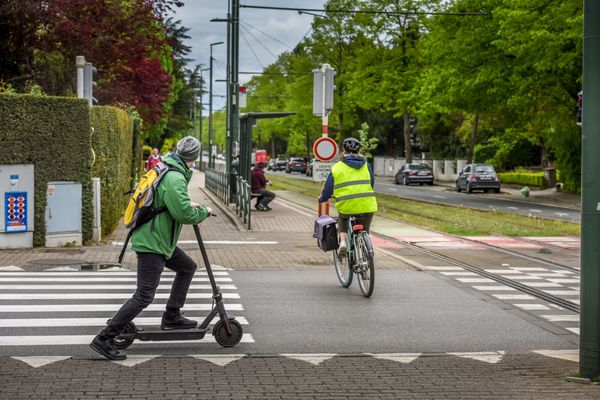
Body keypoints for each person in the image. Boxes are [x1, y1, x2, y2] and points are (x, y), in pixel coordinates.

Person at [89, 136, 213, 361]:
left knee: (187, 267)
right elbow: (183, 214)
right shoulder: (175, 177)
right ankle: (104, 338)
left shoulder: (166, 168)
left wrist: (190, 204)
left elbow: (171, 203)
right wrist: (203, 211)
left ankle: (172, 316)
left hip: (159, 240)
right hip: (152, 242)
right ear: (194, 157)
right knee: (144, 295)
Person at [318, 137, 377, 255]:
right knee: (364, 228)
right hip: (367, 204)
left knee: (343, 218)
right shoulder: (367, 165)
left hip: (347, 205)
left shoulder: (337, 167)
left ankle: (343, 242)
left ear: (343, 151)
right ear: (358, 151)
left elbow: (329, 188)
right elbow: (371, 183)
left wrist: (323, 198)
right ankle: (364, 249)